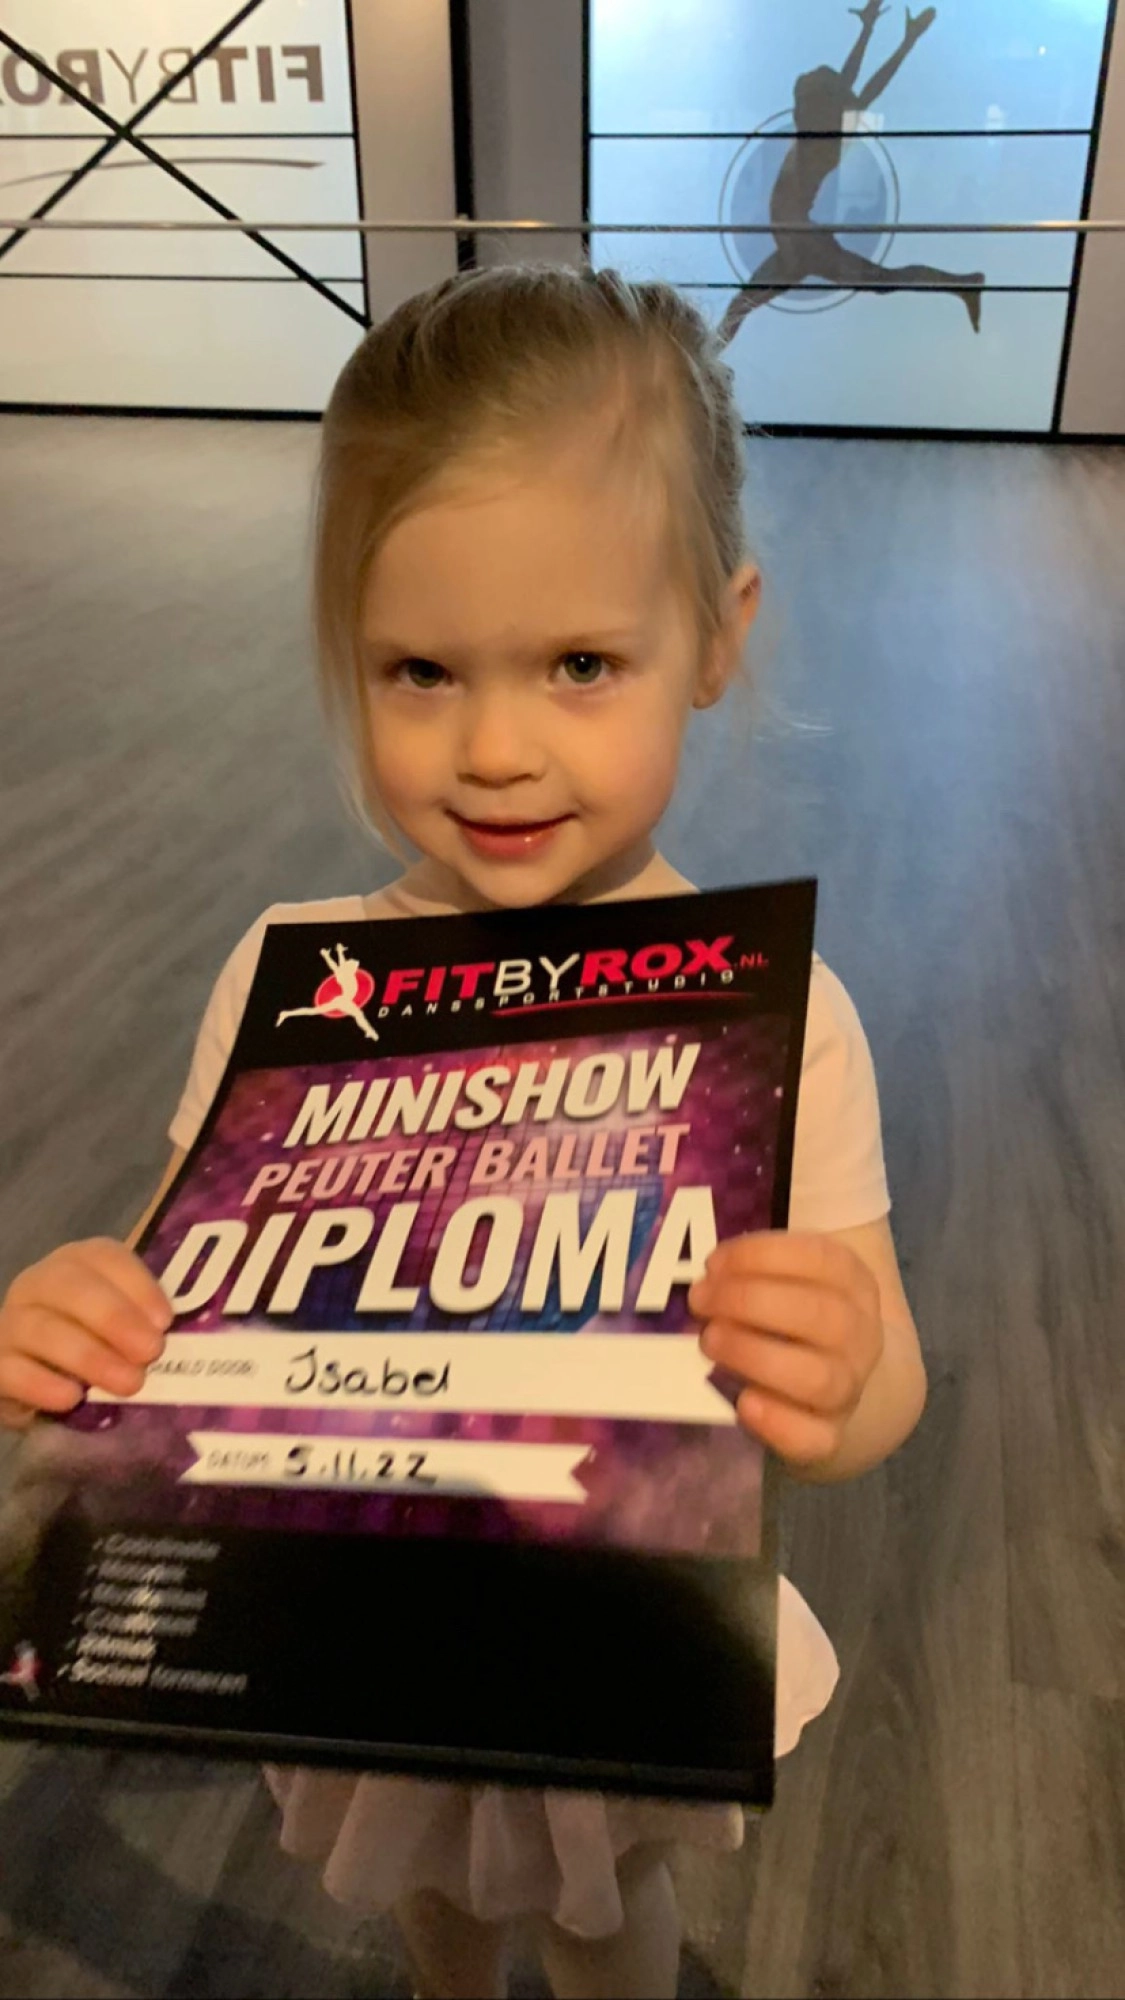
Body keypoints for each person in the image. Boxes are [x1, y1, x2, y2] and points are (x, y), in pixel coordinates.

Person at [0, 264, 927, 2000]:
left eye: (582, 664)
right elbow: (175, 1293)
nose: (496, 749)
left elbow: (881, 1399)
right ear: (344, 651)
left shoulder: (783, 1021)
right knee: (421, 1892)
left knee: (603, 1915)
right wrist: (82, 1330)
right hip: (363, 1609)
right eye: (420, 669)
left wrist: (842, 1371)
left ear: (718, 636)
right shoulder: (292, 978)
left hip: (606, 1617)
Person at [718, 2, 986, 348]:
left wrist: (900, 42)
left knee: (881, 280)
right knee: (741, 305)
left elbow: (861, 85)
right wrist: (869, 31)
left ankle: (962, 284)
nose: (801, 105)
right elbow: (850, 81)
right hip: (794, 246)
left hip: (802, 245)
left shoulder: (818, 140)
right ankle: (962, 284)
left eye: (807, 99)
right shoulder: (815, 132)